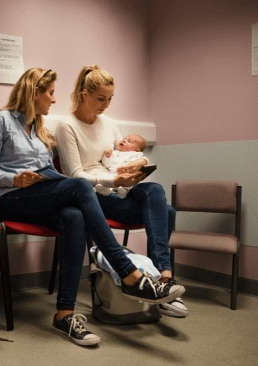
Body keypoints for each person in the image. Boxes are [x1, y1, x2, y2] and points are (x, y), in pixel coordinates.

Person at [0, 67, 186, 347]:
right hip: (7, 199)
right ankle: (127, 273)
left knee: (74, 217)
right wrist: (13, 177)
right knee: (81, 186)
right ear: (35, 92)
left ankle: (64, 313)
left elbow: (47, 171)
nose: (54, 99)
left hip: (38, 194)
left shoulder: (38, 128)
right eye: (50, 93)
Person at [55, 64, 188, 318]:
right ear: (84, 94)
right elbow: (75, 176)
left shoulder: (108, 123)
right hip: (94, 195)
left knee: (156, 192)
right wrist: (115, 181)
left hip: (120, 190)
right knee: (167, 213)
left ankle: (163, 279)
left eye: (110, 99)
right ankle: (161, 284)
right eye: (100, 99)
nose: (106, 105)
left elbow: (126, 153)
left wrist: (140, 165)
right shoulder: (66, 126)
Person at [94, 133, 148, 199]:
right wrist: (107, 156)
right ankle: (105, 190)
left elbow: (141, 163)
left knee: (127, 182)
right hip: (113, 174)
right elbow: (107, 165)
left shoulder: (136, 155)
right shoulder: (115, 153)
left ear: (137, 150)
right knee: (103, 176)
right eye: (123, 139)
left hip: (126, 175)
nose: (124, 141)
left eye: (129, 141)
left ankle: (124, 191)